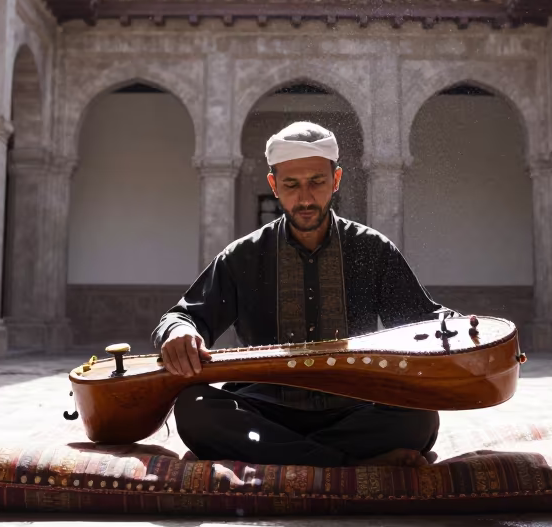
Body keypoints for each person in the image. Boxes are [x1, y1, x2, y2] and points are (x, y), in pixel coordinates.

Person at [153, 121, 451, 467]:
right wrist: (180, 332)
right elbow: (184, 316)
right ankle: (352, 466)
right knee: (196, 409)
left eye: (317, 182)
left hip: (353, 408)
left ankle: (287, 458)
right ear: (274, 185)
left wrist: (467, 329)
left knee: (420, 416)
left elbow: (425, 320)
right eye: (291, 185)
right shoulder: (244, 256)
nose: (305, 198)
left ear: (336, 180)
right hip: (265, 408)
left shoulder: (371, 249)